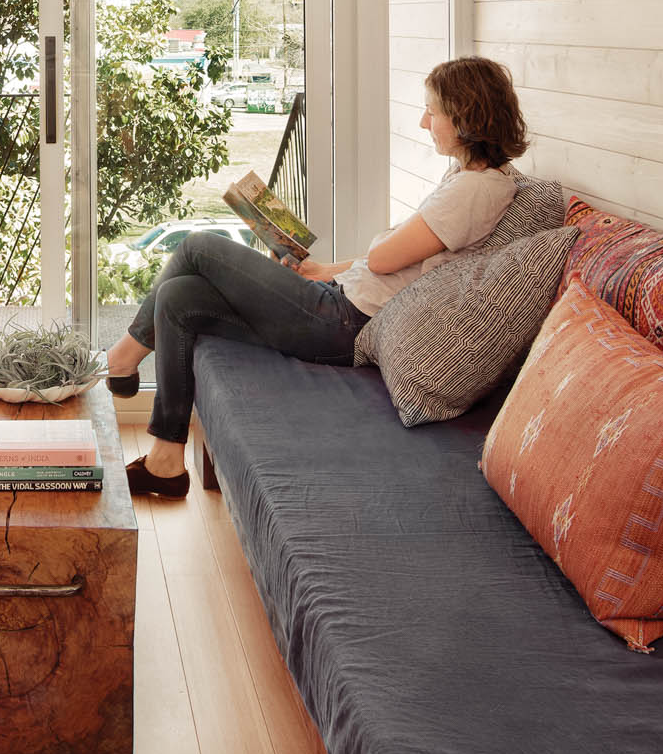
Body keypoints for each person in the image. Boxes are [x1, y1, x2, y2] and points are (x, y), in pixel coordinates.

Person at [105, 55, 530, 497]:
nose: (425, 122)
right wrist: (321, 270)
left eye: (433, 111)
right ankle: (166, 461)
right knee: (178, 297)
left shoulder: (475, 190)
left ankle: (123, 356)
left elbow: (385, 259)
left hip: (343, 323)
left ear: (466, 116)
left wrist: (373, 249)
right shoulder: (467, 178)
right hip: (340, 302)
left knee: (196, 245)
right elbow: (402, 266)